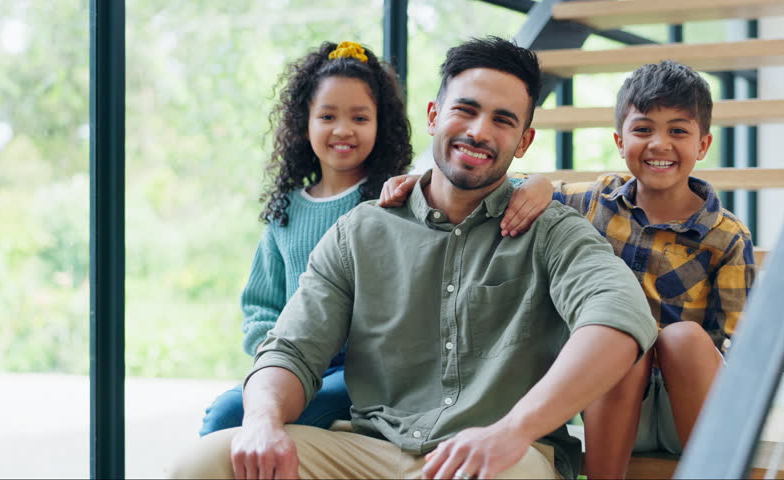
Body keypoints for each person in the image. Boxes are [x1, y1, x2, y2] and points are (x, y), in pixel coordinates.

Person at [170, 36, 658, 480]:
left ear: (524, 141)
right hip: (369, 448)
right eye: (465, 110)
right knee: (205, 462)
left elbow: (619, 316)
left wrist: (513, 430)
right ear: (433, 115)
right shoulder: (362, 230)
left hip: (502, 457)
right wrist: (261, 421)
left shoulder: (551, 231)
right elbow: (291, 349)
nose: (479, 131)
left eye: (503, 120)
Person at [385, 60, 757, 479]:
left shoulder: (725, 236)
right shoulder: (593, 202)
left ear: (703, 145)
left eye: (678, 131)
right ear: (620, 141)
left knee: (683, 338)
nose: (659, 144)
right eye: (643, 129)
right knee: (620, 335)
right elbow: (496, 181)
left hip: (687, 409)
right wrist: (422, 179)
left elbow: (740, 348)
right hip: (606, 400)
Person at [198, 40, 413, 437]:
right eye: (327, 116)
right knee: (224, 415)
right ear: (305, 122)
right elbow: (260, 307)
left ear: (382, 125)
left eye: (360, 118)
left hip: (365, 374)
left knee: (234, 419)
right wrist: (279, 357)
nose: (343, 130)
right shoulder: (286, 212)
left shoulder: (396, 198)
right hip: (296, 361)